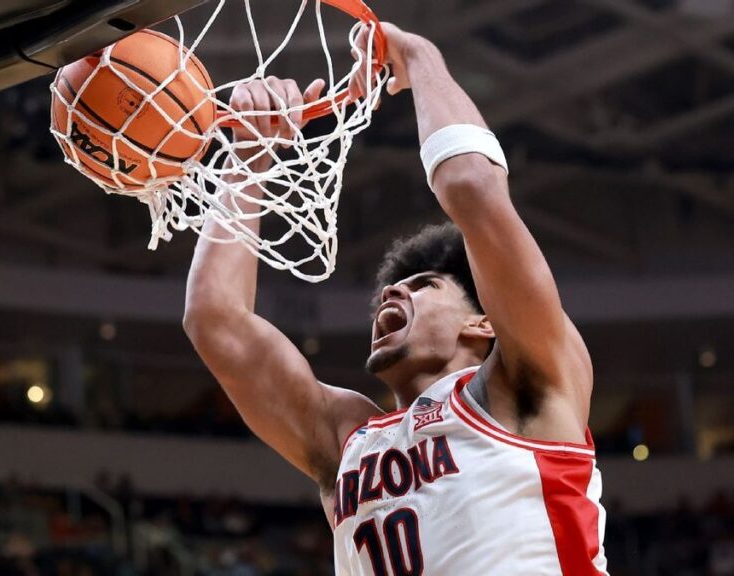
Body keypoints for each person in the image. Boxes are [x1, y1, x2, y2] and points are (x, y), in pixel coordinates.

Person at [183, 21, 607, 575]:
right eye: (393, 286)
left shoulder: (529, 385)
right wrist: (249, 155)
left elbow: (472, 189)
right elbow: (214, 319)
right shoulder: (348, 439)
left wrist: (419, 56)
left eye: (424, 285)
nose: (394, 291)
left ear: (482, 324)